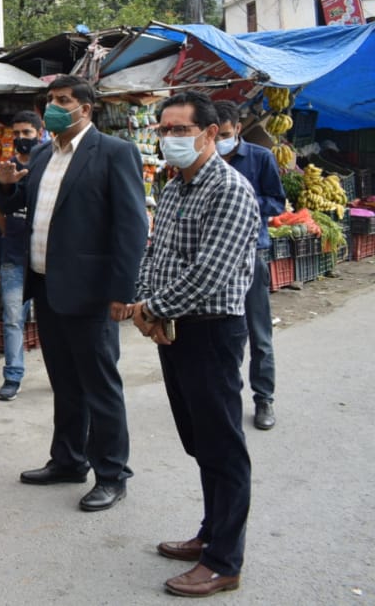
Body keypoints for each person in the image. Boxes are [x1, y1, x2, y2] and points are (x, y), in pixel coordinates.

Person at [0, 75, 148, 513]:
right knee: (65, 383)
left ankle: (113, 474)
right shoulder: (43, 153)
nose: (53, 107)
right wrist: (6, 185)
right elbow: (18, 203)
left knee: (100, 386)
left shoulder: (116, 153)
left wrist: (122, 291)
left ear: (86, 108)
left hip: (94, 293)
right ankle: (67, 459)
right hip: (48, 287)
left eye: (63, 100)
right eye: (49, 100)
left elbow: (132, 228)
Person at [131, 90, 259, 598]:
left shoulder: (229, 190)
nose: (170, 139)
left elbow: (210, 274)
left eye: (180, 130)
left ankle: (225, 561)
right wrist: (144, 303)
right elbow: (155, 254)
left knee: (223, 447)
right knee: (199, 439)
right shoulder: (176, 187)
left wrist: (153, 310)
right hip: (174, 328)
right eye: (164, 130)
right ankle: (210, 534)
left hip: (210, 331)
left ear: (210, 133)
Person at [214, 100, 286, 431]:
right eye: (214, 135)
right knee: (223, 333)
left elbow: (276, 202)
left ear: (238, 129)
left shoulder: (260, 158)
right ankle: (226, 398)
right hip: (215, 258)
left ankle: (264, 399)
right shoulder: (204, 159)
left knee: (259, 332)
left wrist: (243, 199)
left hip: (251, 252)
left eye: (225, 134)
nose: (219, 141)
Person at [0, 110, 44, 401]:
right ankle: (12, 377)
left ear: (40, 131)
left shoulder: (48, 166)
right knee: (12, 319)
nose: (21, 139)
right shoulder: (4, 169)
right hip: (13, 258)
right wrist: (8, 229)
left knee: (53, 320)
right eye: (17, 134)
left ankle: (61, 373)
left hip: (47, 258)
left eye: (27, 133)